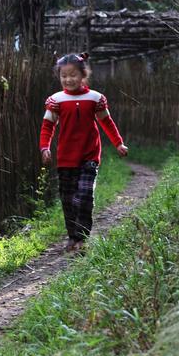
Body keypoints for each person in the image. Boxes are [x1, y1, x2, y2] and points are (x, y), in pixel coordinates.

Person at [39, 52, 129, 252]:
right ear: (59, 77)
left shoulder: (95, 98)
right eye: (64, 76)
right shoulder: (56, 100)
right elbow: (47, 126)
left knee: (85, 195)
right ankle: (72, 236)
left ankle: (81, 238)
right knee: (69, 199)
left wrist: (118, 144)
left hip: (89, 156)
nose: (68, 79)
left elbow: (107, 122)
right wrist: (45, 147)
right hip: (65, 158)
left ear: (83, 75)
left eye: (73, 75)